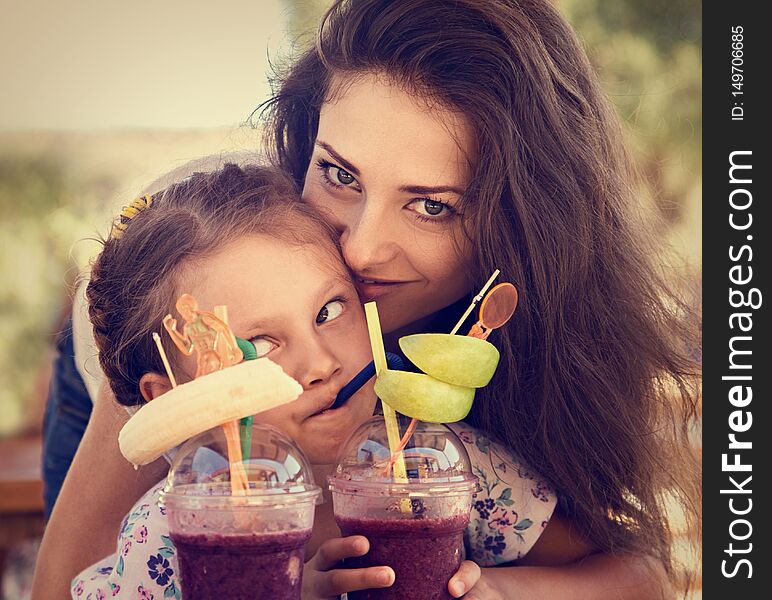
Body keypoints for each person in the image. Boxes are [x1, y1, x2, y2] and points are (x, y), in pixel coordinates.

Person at [37, 0, 699, 597]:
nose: (359, 251)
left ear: (522, 229)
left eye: (433, 205)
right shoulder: (197, 283)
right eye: (340, 174)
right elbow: (64, 587)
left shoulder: (461, 455)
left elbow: (627, 572)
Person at [64, 163, 556, 599]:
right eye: (260, 344)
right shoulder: (169, 533)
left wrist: (504, 588)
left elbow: (629, 572)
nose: (320, 363)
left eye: (330, 310)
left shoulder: (445, 465)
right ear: (174, 398)